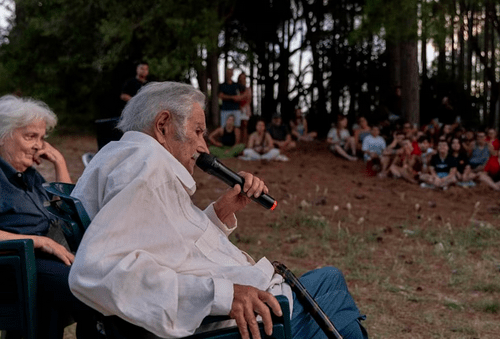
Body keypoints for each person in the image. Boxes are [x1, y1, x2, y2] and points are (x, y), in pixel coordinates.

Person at [69, 82, 367, 339]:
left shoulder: (130, 158)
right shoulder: (146, 167)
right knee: (339, 307)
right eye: (198, 132)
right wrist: (224, 295)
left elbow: (170, 244)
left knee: (330, 279)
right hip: (221, 322)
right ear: (163, 126)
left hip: (236, 298)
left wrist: (221, 212)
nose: (204, 147)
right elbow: (99, 269)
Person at [0, 95, 100, 339]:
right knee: (94, 292)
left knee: (101, 281)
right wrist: (40, 241)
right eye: (30, 136)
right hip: (13, 268)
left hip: (43, 264)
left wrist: (59, 161)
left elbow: (66, 211)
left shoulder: (29, 175)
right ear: (3, 136)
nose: (38, 145)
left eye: (42, 138)